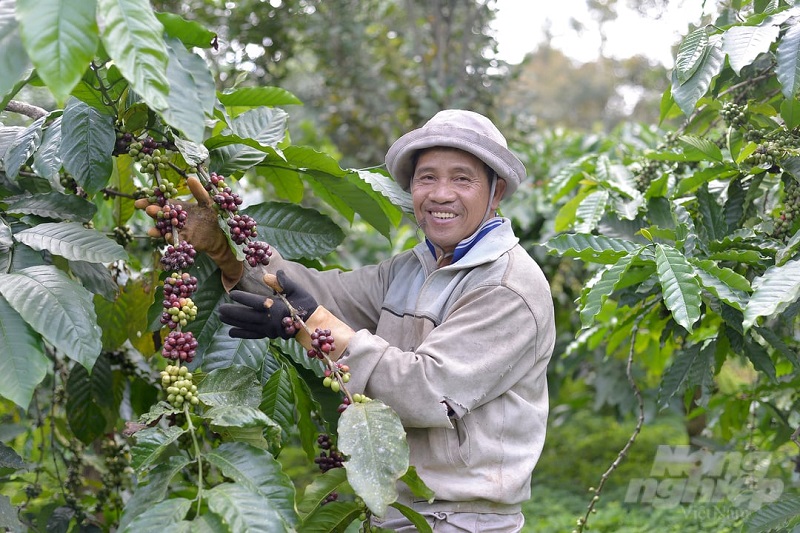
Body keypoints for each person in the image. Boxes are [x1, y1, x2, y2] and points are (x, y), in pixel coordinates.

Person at [153, 109, 556, 532]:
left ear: (496, 192)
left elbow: (426, 391)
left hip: (462, 519)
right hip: (397, 511)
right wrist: (225, 247)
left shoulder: (507, 286)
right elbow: (324, 295)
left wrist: (311, 322)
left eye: (462, 178)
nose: (440, 194)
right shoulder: (411, 269)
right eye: (427, 178)